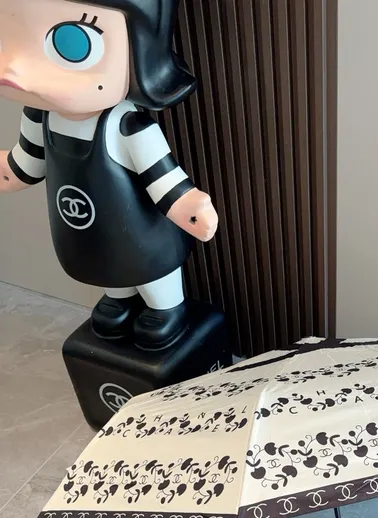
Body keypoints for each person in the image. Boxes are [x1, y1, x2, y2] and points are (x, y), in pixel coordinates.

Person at [0, 0, 218, 350]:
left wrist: (189, 205)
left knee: (151, 271)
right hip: (86, 233)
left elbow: (164, 179)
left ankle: (166, 308)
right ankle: (119, 298)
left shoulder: (127, 125)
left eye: (72, 43)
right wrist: (8, 172)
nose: (17, 68)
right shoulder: (39, 116)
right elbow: (24, 165)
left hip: (141, 233)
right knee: (104, 266)